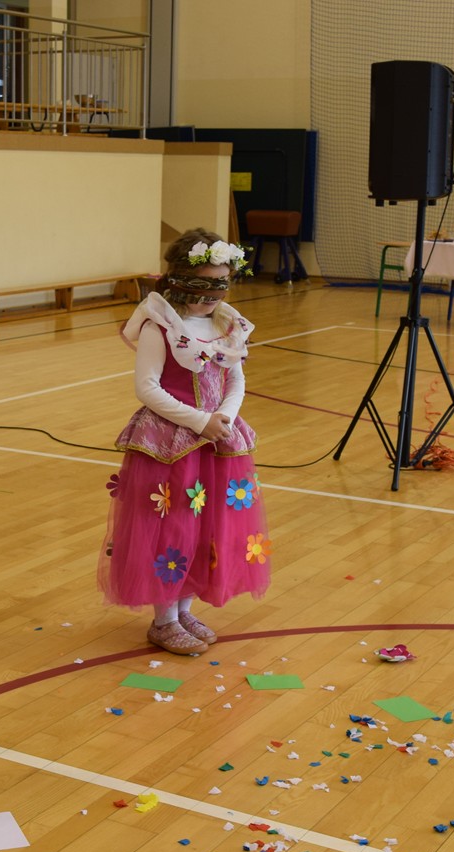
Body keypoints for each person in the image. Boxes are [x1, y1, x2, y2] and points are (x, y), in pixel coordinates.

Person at [99, 229, 270, 655]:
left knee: (205, 527)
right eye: (203, 285)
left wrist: (223, 417)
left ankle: (184, 608)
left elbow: (235, 378)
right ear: (178, 280)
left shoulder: (226, 325)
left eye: (221, 285)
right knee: (172, 528)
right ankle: (164, 620)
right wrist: (199, 421)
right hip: (170, 444)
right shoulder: (160, 327)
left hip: (216, 441)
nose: (212, 296)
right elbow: (147, 387)